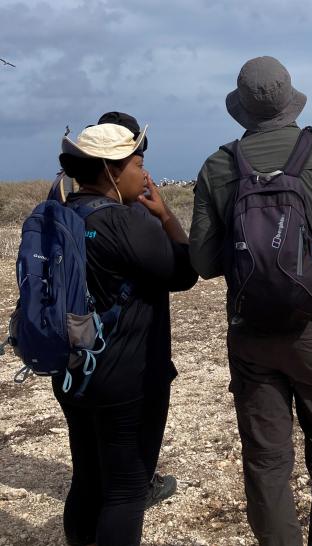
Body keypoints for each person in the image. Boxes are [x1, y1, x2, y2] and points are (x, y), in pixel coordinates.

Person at [189, 56, 312, 545]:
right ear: (291, 101)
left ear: (242, 110)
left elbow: (206, 263)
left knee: (267, 460)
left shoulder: (218, 165)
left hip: (250, 335)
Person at [54, 115, 198, 546]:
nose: (145, 172)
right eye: (137, 163)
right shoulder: (127, 222)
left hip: (72, 370)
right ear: (112, 170)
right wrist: (167, 215)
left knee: (87, 478)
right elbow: (185, 272)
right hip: (127, 377)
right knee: (126, 491)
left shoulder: (62, 212)